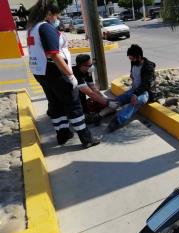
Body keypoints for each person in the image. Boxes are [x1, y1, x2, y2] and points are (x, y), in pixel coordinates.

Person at [27, 1, 100, 148]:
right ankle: (86, 138)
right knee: (73, 105)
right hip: (56, 72)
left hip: (41, 72)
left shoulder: (32, 28)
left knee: (55, 103)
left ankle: (63, 134)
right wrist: (70, 75)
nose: (58, 17)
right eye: (56, 14)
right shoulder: (45, 28)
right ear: (48, 13)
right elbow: (54, 55)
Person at [107, 44, 156, 131]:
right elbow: (133, 73)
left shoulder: (148, 67)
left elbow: (146, 84)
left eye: (132, 59)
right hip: (134, 89)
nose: (131, 61)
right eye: (130, 59)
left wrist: (135, 94)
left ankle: (118, 120)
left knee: (135, 101)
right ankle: (102, 114)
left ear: (139, 57)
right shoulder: (134, 62)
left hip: (145, 92)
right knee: (120, 99)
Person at [72, 54, 109, 122]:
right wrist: (107, 103)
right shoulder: (75, 74)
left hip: (76, 90)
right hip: (65, 92)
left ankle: (84, 111)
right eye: (89, 65)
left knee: (94, 100)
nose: (91, 67)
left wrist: (103, 97)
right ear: (81, 66)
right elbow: (90, 93)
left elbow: (93, 88)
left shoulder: (87, 71)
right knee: (79, 94)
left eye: (91, 64)